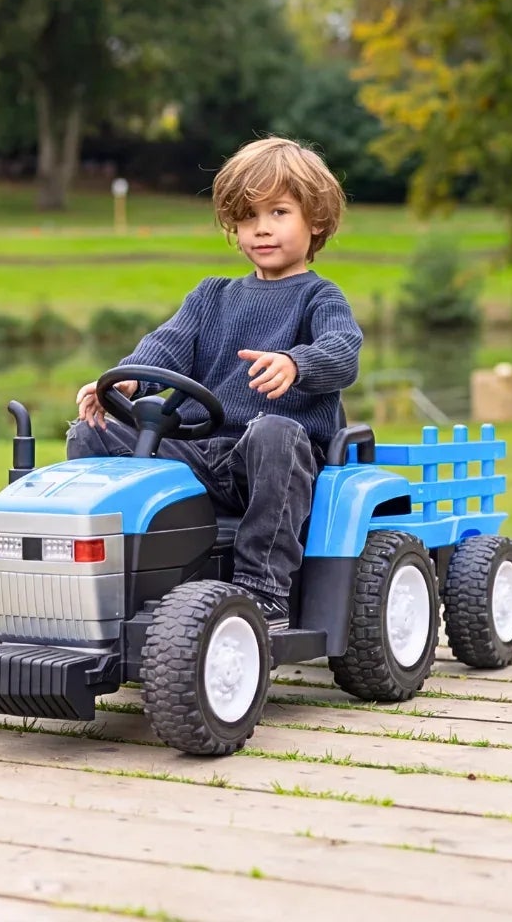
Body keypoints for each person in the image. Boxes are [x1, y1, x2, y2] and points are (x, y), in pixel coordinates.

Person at [68, 137, 363, 629]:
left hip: (273, 462)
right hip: (201, 455)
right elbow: (165, 346)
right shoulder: (212, 296)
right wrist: (126, 384)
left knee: (274, 430)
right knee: (89, 433)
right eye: (248, 217)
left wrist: (296, 363)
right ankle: (107, 570)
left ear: (316, 221)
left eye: (278, 212)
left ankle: (262, 590)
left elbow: (343, 352)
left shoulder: (320, 297)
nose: (261, 229)